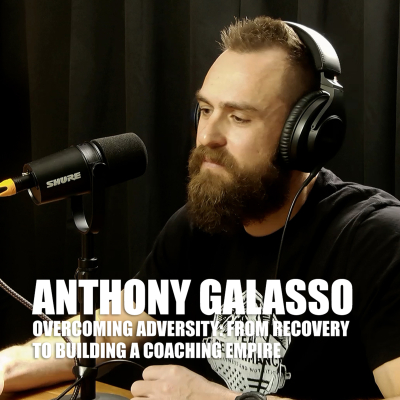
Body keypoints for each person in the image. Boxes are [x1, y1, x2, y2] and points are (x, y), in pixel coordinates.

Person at [1, 16, 400, 400]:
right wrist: (8, 367)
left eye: (239, 117)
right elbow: (111, 328)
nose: (207, 136)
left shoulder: (378, 240)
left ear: (307, 135)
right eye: (206, 110)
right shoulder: (201, 225)